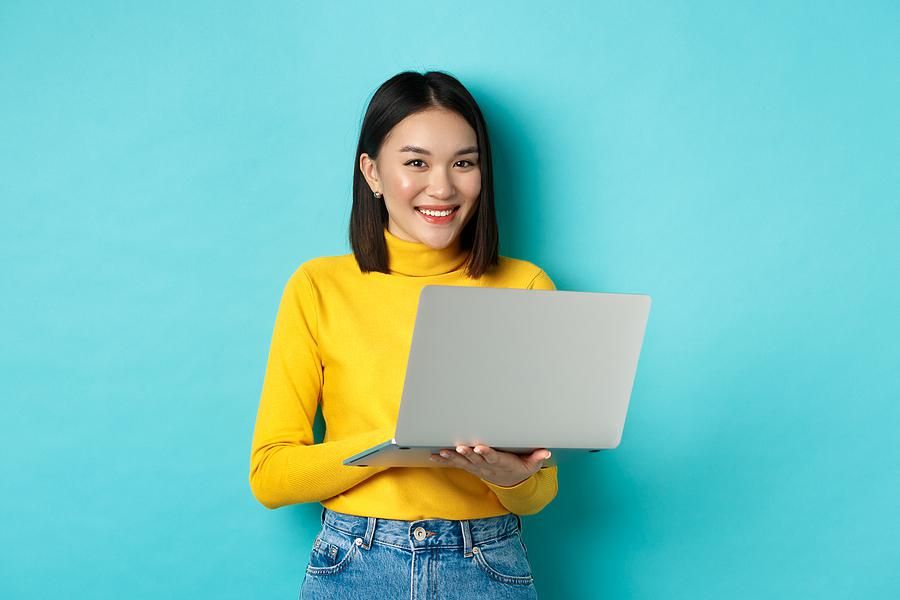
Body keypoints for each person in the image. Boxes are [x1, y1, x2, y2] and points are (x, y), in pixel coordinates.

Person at [248, 70, 558, 599]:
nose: (443, 186)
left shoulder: (524, 286)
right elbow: (272, 475)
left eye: (464, 162)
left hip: (487, 563)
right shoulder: (318, 286)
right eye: (416, 162)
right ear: (371, 171)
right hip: (354, 562)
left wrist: (507, 474)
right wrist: (400, 440)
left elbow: (539, 491)